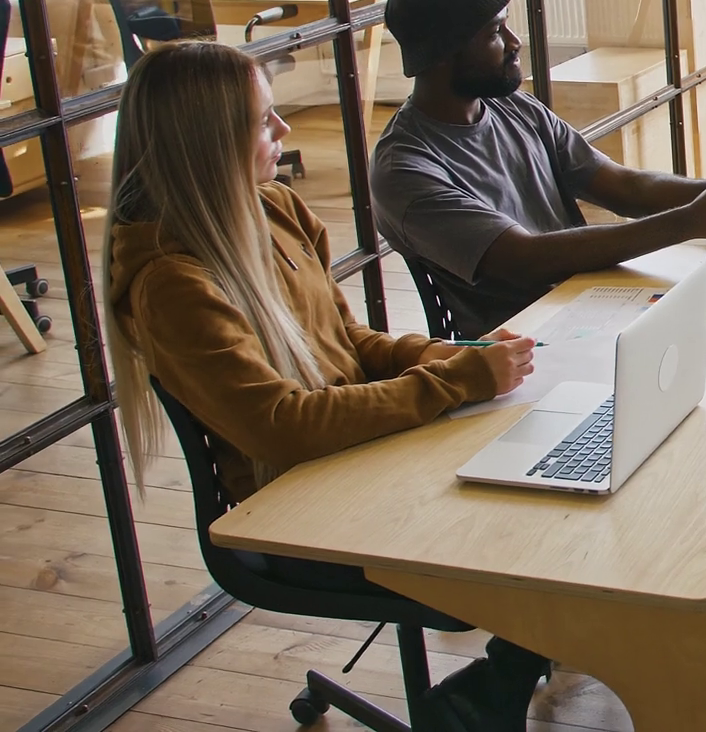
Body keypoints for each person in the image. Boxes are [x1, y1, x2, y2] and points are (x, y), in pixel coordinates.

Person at [105, 41, 550, 732]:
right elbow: (282, 426)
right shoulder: (171, 284)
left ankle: (499, 684)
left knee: (552, 474)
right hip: (297, 504)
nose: (283, 130)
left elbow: (350, 342)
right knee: (533, 510)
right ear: (205, 144)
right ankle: (496, 688)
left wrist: (450, 355)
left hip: (352, 457)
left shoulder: (273, 207)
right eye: (262, 120)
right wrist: (452, 382)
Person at [369, 0, 706, 338]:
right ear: (443, 54)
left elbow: (624, 187)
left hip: (596, 304)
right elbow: (525, 260)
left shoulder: (514, 107)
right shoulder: (405, 170)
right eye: (495, 32)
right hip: (524, 348)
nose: (515, 42)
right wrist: (691, 221)